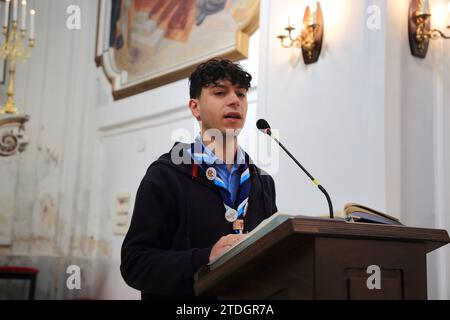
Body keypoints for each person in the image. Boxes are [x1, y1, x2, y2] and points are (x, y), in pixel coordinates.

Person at [120, 58, 278, 299]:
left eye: (242, 94)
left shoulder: (262, 183)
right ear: (195, 108)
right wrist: (205, 258)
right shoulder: (165, 175)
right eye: (219, 92)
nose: (235, 100)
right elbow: (135, 264)